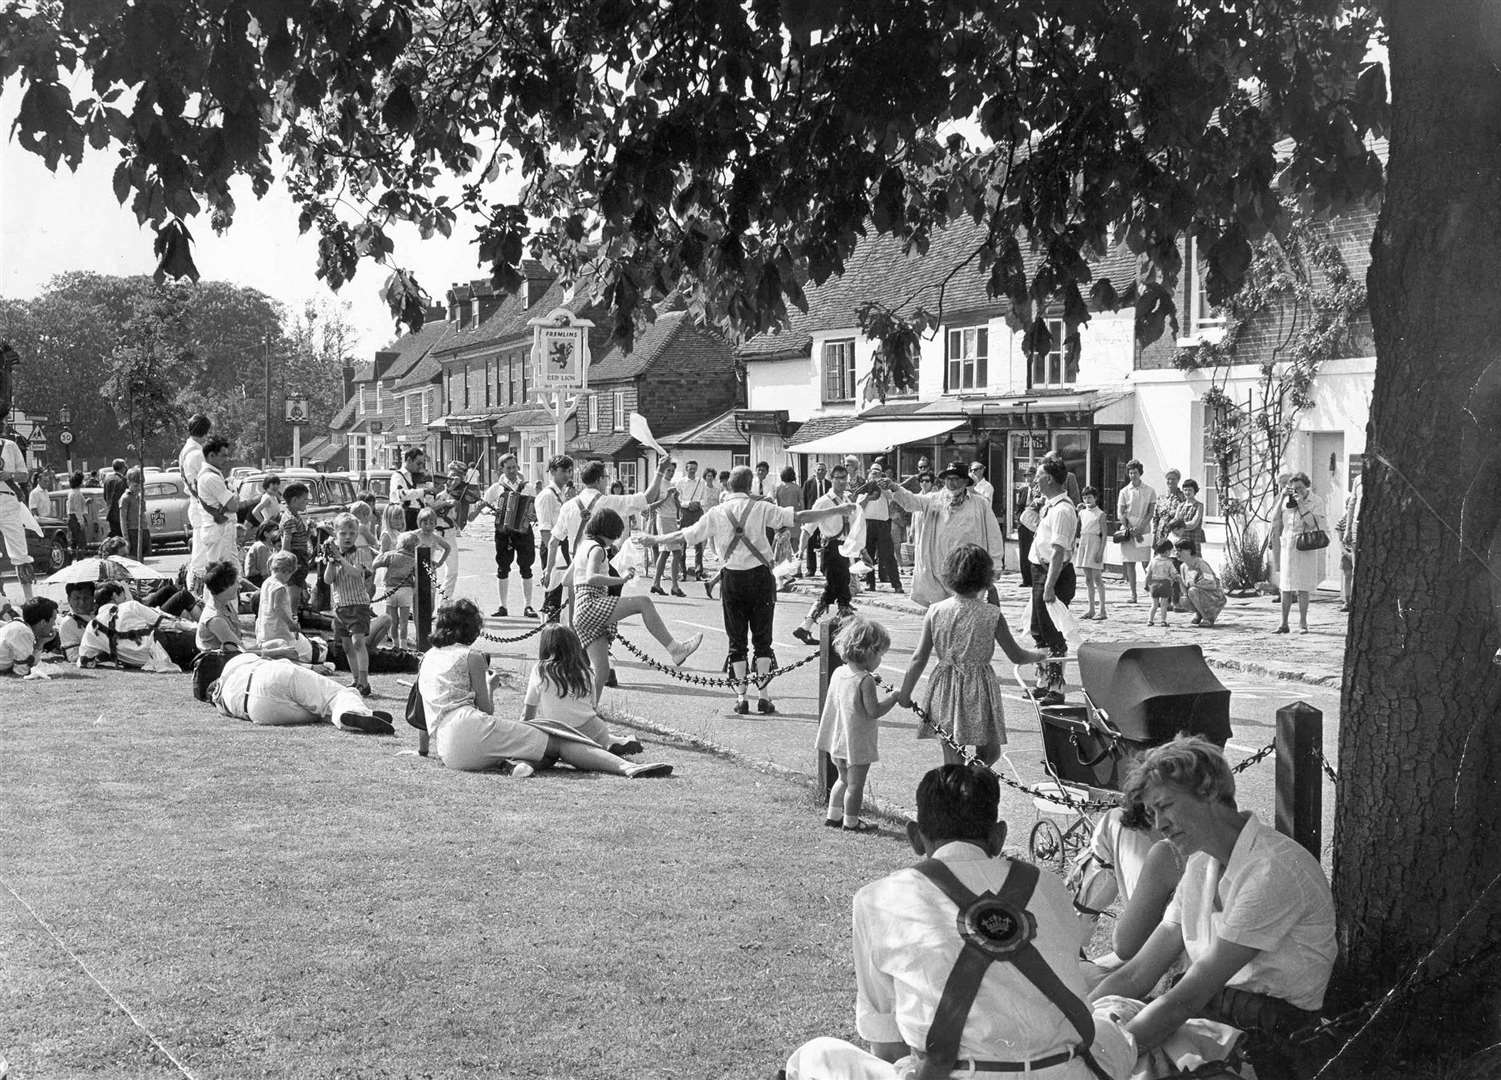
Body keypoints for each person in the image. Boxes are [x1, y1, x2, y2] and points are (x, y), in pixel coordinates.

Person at [783, 765, 1136, 1080]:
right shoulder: (1047, 884)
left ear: (915, 837)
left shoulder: (877, 898)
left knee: (813, 1056)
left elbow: (888, 1049)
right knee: (1113, 1021)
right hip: (1069, 1072)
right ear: (998, 836)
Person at [1089, 737, 1336, 1080]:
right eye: (1152, 812)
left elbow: (1187, 997)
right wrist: (1073, 1020)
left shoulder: (1272, 869)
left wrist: (1092, 1059)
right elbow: (1136, 973)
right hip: (1213, 1026)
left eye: (1166, 805)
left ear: (1207, 791)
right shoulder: (1200, 862)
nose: (1158, 824)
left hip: (1273, 1045)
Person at [645, 464, 854, 715]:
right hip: (760, 579)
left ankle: (742, 698)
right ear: (750, 485)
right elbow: (799, 517)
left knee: (737, 640)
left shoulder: (717, 512)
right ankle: (764, 697)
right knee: (763, 639)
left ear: (729, 485)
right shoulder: (762, 507)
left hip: (732, 579)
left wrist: (654, 540)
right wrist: (838, 510)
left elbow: (685, 535)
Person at [416, 598, 671, 777]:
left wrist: (423, 750)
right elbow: (485, 709)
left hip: (448, 748)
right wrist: (491, 686)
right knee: (556, 739)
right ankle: (624, 767)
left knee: (534, 746)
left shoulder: (427, 657)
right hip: (468, 725)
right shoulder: (472, 656)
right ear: (469, 629)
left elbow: (420, 715)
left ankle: (513, 764)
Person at [898, 544, 1047, 766]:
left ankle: (958, 787)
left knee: (951, 752)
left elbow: (919, 657)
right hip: (979, 686)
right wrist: (1040, 655)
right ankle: (972, 784)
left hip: (945, 684)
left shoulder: (936, 611)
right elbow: (1016, 655)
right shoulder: (992, 614)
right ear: (985, 577)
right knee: (990, 751)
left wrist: (905, 693)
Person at [571, 508, 702, 706]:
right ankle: (675, 649)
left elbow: (566, 580)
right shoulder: (597, 549)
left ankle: (590, 708)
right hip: (591, 602)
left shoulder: (583, 546)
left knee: (602, 669)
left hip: (581, 610)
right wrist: (620, 579)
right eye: (615, 536)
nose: (614, 541)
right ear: (608, 531)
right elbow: (591, 577)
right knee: (644, 603)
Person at [1072, 797, 1184, 982]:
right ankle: (1078, 931)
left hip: (1166, 970)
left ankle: (1078, 929)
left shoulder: (1167, 853)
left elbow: (1126, 947)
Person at [543, 457, 668, 615]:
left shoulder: (568, 506)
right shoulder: (608, 502)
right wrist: (660, 471)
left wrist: (548, 571)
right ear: (599, 479)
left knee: (575, 617)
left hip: (575, 566)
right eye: (606, 478)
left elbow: (553, 542)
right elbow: (647, 498)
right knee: (600, 617)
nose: (607, 482)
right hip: (598, 568)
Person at [815, 616, 899, 832]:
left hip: (838, 739)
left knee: (842, 780)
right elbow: (874, 711)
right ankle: (851, 821)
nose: (881, 659)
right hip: (857, 741)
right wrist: (894, 698)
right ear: (869, 652)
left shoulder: (840, 672)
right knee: (855, 785)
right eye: (880, 654)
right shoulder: (865, 680)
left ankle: (833, 815)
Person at [884, 462, 1007, 608]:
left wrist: (996, 564)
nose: (952, 483)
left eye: (956, 479)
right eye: (949, 479)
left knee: (967, 609)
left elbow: (994, 535)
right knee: (941, 610)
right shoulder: (934, 500)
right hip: (939, 569)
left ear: (966, 481)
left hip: (969, 568)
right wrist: (894, 487)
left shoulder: (980, 504)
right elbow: (911, 502)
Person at [522, 623, 642, 756]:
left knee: (559, 739)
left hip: (560, 732)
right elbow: (593, 706)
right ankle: (616, 742)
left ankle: (612, 743)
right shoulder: (586, 672)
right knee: (595, 736)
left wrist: (520, 735)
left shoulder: (540, 669)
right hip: (593, 728)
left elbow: (529, 710)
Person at [210, 650, 392, 733]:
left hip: (258, 711)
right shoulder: (232, 665)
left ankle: (353, 717)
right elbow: (265, 656)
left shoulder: (221, 704)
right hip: (270, 675)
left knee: (321, 711)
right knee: (337, 694)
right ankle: (354, 712)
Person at [1029, 457, 1080, 701]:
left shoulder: (1063, 510)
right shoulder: (1049, 505)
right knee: (1038, 630)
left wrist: (1049, 586)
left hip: (1054, 574)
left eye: (1038, 476)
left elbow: (1059, 551)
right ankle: (1042, 681)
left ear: (1049, 478)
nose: (1035, 480)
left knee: (1053, 633)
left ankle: (1057, 688)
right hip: (1040, 571)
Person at [793, 464, 860, 644]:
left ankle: (805, 627)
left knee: (834, 590)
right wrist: (800, 551)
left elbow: (855, 527)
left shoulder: (847, 499)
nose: (842, 481)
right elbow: (808, 529)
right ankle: (847, 633)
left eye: (844, 477)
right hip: (831, 549)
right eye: (838, 478)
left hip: (845, 549)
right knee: (841, 590)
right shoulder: (824, 501)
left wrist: (862, 551)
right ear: (832, 479)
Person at [77, 581, 198, 671]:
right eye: (123, 595)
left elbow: (84, 660)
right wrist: (194, 627)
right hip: (167, 646)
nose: (125, 598)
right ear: (115, 596)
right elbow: (167, 623)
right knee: (206, 642)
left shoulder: (91, 628)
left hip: (148, 661)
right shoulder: (129, 606)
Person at [324, 512, 380, 694]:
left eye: (352, 533)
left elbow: (356, 573)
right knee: (347, 646)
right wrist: (331, 561)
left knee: (358, 642)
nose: (348, 537)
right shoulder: (333, 555)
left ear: (357, 534)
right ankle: (356, 680)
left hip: (358, 605)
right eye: (343, 533)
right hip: (340, 606)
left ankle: (364, 680)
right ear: (336, 534)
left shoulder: (361, 553)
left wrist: (339, 559)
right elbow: (328, 580)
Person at [1267, 472, 1328, 635]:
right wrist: (1281, 498)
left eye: (1300, 488)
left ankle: (1303, 623)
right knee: (1285, 586)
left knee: (1303, 586)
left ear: (1306, 486)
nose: (1297, 491)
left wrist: (1301, 504)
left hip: (1305, 545)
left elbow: (1313, 523)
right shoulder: (1286, 499)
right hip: (1288, 544)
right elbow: (1274, 520)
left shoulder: (1316, 501)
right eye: (1294, 488)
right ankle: (1284, 623)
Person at [482, 452, 538, 618]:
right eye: (509, 468)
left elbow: (535, 510)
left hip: (523, 531)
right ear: (502, 469)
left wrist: (534, 516)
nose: (512, 470)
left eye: (514, 467)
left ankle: (528, 606)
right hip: (503, 532)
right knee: (503, 567)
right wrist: (494, 512)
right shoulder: (496, 488)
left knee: (526, 567)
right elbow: (484, 507)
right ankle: (502, 606)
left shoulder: (528, 487)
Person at [191, 437, 239, 587]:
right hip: (219, 531)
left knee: (228, 574)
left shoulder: (212, 475)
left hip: (220, 530)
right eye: (223, 455)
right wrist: (234, 491)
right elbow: (233, 506)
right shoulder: (210, 477)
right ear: (211, 455)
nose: (226, 459)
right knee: (220, 576)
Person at [533, 454, 576, 618]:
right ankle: (550, 635)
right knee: (553, 594)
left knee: (563, 593)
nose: (567, 475)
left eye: (569, 471)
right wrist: (552, 560)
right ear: (552, 471)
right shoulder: (547, 496)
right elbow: (545, 530)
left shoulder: (563, 494)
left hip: (563, 546)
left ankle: (561, 632)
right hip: (553, 546)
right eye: (563, 471)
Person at [178, 413, 212, 589]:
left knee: (200, 553)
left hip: (196, 504)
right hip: (201, 505)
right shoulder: (197, 454)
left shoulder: (186, 450)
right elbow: (203, 484)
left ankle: (194, 590)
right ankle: (193, 592)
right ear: (205, 432)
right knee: (201, 556)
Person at [1116, 460, 1156, 604]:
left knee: (1146, 562)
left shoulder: (1150, 490)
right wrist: (1129, 528)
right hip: (1128, 530)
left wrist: (1140, 528)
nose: (1133, 475)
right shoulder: (1124, 491)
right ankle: (1133, 595)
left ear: (1140, 473)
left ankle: (1153, 592)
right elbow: (1120, 512)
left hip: (1144, 528)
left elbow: (1150, 512)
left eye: (1135, 472)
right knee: (1130, 563)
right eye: (1130, 472)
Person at [647, 459, 688, 596]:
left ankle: (657, 583)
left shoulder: (672, 484)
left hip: (671, 518)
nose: (670, 473)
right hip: (662, 518)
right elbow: (651, 505)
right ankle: (674, 586)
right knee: (676, 552)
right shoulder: (658, 485)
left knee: (666, 552)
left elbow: (677, 506)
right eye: (668, 470)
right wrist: (666, 497)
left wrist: (675, 498)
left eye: (672, 471)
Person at [859, 463, 902, 594]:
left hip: (883, 524)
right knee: (868, 555)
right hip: (868, 523)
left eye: (878, 472)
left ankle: (897, 584)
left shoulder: (884, 489)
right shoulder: (865, 488)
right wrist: (869, 492)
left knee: (888, 555)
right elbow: (859, 506)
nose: (875, 474)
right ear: (869, 473)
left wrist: (881, 486)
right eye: (873, 472)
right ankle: (870, 583)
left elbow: (891, 497)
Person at [372, 530, 419, 650]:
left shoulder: (391, 555)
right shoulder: (414, 559)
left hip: (390, 589)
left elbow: (375, 564)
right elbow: (417, 577)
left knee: (393, 620)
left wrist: (382, 553)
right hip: (406, 590)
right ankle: (404, 645)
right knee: (404, 621)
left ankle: (395, 644)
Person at [278, 482, 314, 615]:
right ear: (294, 500)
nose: (307, 502)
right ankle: (292, 618)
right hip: (295, 558)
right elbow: (287, 542)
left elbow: (301, 538)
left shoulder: (296, 517)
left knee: (298, 589)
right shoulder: (290, 519)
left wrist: (309, 530)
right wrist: (288, 562)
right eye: (304, 499)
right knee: (293, 594)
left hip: (300, 557)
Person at [0, 596, 57, 676]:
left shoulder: (22, 626)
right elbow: (22, 671)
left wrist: (41, 642)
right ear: (43, 622)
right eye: (54, 619)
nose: (54, 624)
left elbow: (30, 663)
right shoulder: (23, 632)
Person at [1176, 539, 1226, 628]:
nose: (1177, 553)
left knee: (1192, 591)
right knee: (1184, 599)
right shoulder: (1183, 567)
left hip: (1214, 596)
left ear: (1189, 551)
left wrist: (1195, 585)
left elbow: (1212, 584)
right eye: (1176, 551)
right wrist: (1179, 580)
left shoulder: (1201, 564)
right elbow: (1185, 590)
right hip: (1198, 594)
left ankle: (1207, 618)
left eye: (1180, 551)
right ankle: (1199, 613)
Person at [1078, 485, 1109, 620]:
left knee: (1097, 578)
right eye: (1085, 497)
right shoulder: (1082, 513)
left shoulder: (1100, 514)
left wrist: (1100, 552)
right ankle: (1091, 609)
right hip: (1084, 542)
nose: (1087, 500)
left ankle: (1102, 610)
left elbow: (1104, 534)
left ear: (1095, 498)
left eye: (1089, 497)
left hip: (1095, 543)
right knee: (1088, 579)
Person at [675, 460, 710, 579]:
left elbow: (705, 499)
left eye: (694, 468)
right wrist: (688, 504)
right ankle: (682, 571)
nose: (692, 471)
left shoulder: (701, 482)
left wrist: (697, 503)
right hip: (685, 512)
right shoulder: (680, 482)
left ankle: (698, 571)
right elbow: (677, 499)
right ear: (686, 469)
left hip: (698, 512)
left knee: (699, 541)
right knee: (683, 541)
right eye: (690, 468)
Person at [415, 506, 457, 600]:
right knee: (416, 594)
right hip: (416, 568)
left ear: (435, 524)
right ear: (419, 523)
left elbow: (447, 548)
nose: (428, 526)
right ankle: (414, 613)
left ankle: (430, 612)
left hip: (430, 568)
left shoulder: (435, 537)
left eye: (431, 523)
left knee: (431, 595)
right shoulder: (415, 535)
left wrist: (440, 562)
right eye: (425, 523)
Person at [1336, 469, 1362, 613]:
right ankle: (1350, 601)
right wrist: (1347, 531)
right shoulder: (1358, 480)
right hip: (1356, 527)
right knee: (1352, 572)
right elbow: (1352, 504)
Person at [53, 581, 97, 662]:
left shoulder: (101, 613)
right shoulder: (68, 624)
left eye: (86, 598)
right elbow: (73, 656)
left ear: (93, 598)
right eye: (77, 598)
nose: (82, 602)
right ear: (69, 600)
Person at [801, 460, 832, 576]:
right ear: (815, 471)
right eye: (818, 470)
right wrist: (804, 518)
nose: (820, 472)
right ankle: (810, 568)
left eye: (823, 470)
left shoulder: (830, 485)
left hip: (825, 517)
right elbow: (804, 500)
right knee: (810, 542)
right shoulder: (808, 484)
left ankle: (824, 568)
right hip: (812, 517)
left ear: (826, 472)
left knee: (825, 542)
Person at [390, 446, 432, 530]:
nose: (420, 467)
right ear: (409, 460)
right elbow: (402, 495)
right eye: (418, 463)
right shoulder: (397, 476)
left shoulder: (417, 476)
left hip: (417, 517)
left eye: (422, 464)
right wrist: (424, 491)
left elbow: (427, 500)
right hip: (405, 517)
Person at [118, 466, 151, 560]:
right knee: (133, 559)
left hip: (143, 530)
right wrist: (126, 539)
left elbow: (143, 513)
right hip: (132, 532)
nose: (138, 488)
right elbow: (123, 520)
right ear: (128, 483)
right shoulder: (125, 498)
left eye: (141, 486)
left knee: (141, 559)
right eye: (136, 486)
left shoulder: (139, 497)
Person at [1145, 540, 1178, 628]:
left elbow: (1148, 574)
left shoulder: (1153, 561)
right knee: (1164, 604)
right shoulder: (1169, 562)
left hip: (1154, 584)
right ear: (1167, 551)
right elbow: (1173, 573)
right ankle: (1163, 621)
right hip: (1165, 583)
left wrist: (1146, 584)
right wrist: (1175, 578)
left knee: (1154, 604)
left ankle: (1150, 620)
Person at [244, 519, 278, 588]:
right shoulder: (261, 547)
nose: (277, 533)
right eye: (275, 530)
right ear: (266, 534)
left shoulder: (267, 546)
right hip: (256, 580)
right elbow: (264, 572)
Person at [1177, 479, 1206, 556]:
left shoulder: (1199, 506)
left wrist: (1180, 526)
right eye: (1185, 490)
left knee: (1194, 565)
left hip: (1193, 541)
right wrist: (1177, 526)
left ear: (1195, 491)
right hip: (1181, 541)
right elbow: (1175, 523)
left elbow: (1193, 524)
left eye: (1190, 490)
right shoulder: (1180, 506)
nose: (1187, 492)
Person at [65, 471, 91, 558]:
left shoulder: (71, 492)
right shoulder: (77, 493)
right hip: (76, 518)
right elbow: (77, 509)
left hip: (72, 517)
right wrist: (81, 522)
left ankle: (71, 559)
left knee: (74, 541)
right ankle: (80, 560)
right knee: (81, 542)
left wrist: (85, 502)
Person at [102, 458, 127, 538]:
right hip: (120, 514)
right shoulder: (122, 480)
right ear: (123, 468)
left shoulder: (107, 479)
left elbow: (105, 496)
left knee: (115, 538)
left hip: (110, 513)